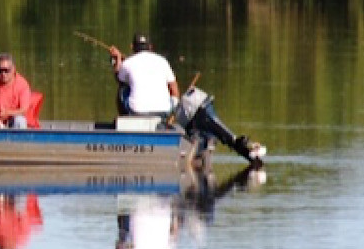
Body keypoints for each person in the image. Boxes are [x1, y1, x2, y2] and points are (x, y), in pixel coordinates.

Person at [109, 33, 267, 163]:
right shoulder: (162, 61)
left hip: (137, 112)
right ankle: (201, 140)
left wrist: (117, 60)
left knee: (124, 88)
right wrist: (173, 111)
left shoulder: (128, 63)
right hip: (164, 111)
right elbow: (174, 89)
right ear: (151, 47)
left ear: (132, 48)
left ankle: (127, 122)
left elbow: (119, 77)